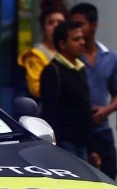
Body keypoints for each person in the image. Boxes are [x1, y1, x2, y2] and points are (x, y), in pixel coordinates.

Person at [69, 2, 117, 178]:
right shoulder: (71, 57)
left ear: (93, 25)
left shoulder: (109, 56)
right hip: (77, 131)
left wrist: (106, 110)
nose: (77, 29)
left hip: (101, 128)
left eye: (81, 24)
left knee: (109, 178)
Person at [39, 20, 91, 160]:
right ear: (62, 44)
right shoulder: (53, 71)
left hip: (82, 142)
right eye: (76, 39)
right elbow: (49, 111)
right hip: (66, 144)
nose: (82, 42)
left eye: (82, 38)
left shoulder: (80, 68)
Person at [16, 0, 69, 99]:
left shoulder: (71, 52)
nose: (55, 26)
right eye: (50, 22)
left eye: (60, 22)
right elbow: (36, 89)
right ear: (43, 28)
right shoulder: (36, 55)